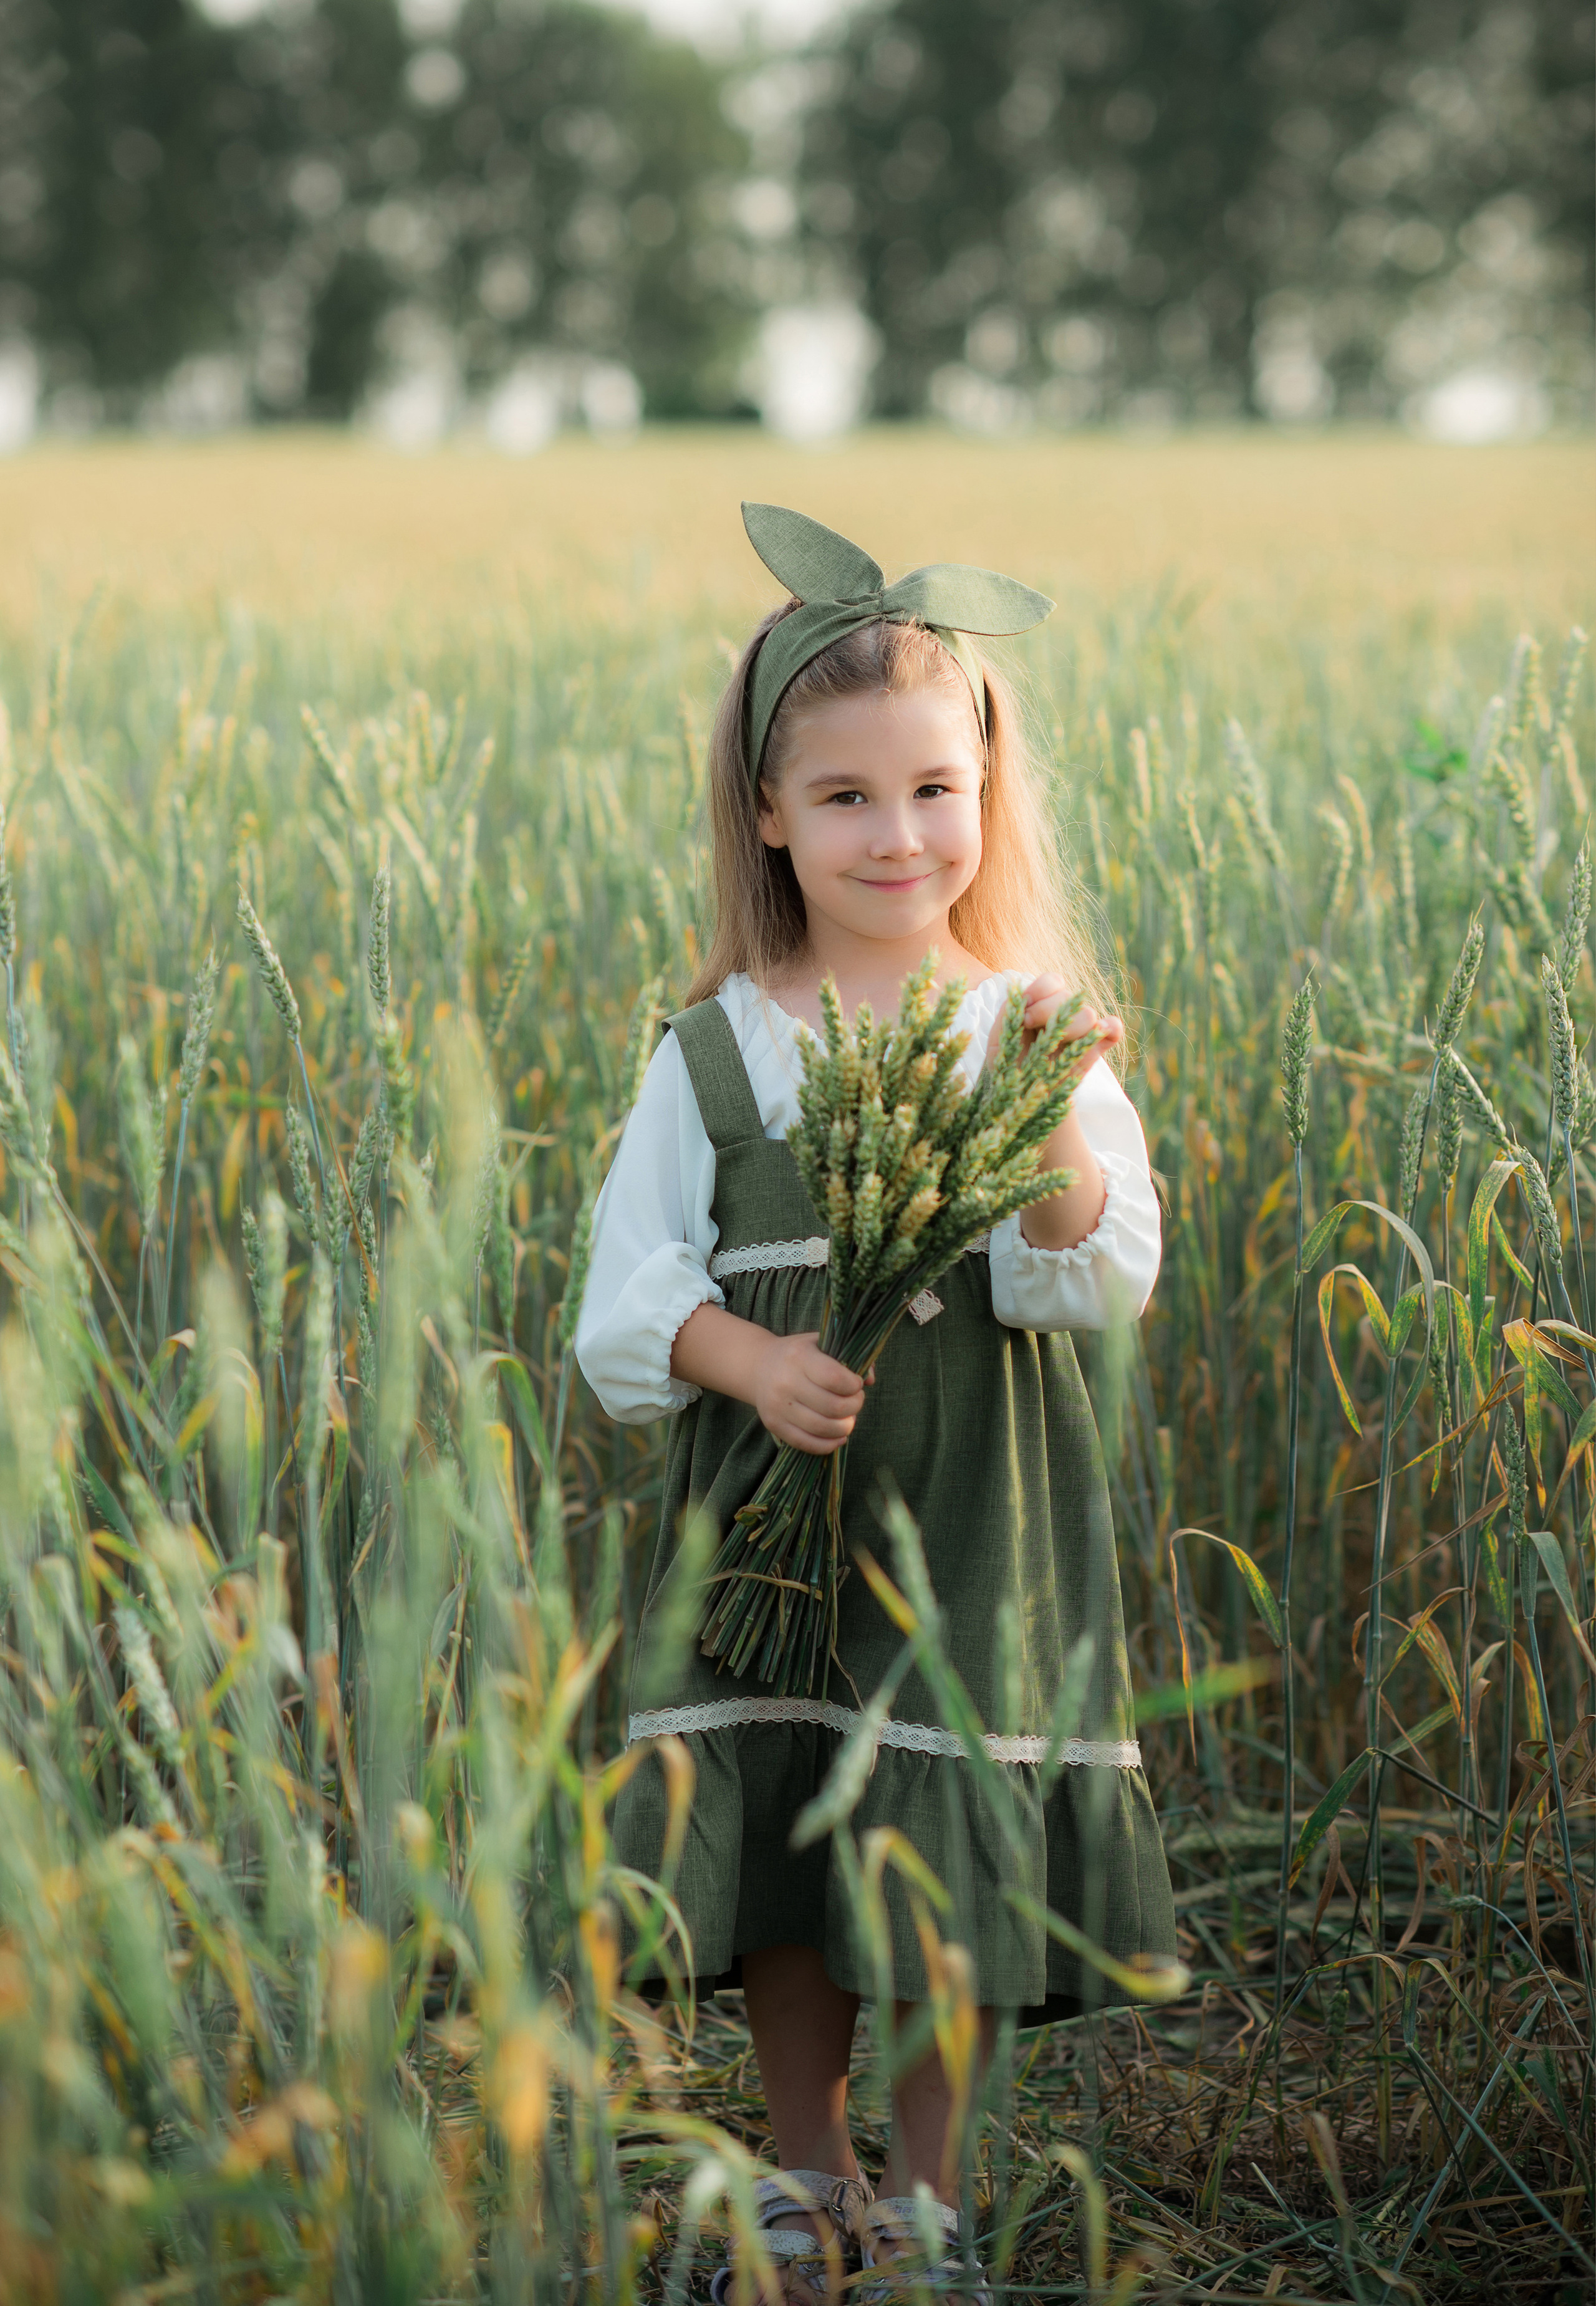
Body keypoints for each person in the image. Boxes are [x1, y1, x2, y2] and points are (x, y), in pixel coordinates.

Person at [575, 504, 1176, 2304]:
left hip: (978, 1510)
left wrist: (1051, 1120)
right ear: (768, 813)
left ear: (986, 792)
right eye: (844, 796)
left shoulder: (1027, 1024)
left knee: (949, 1837)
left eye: (933, 789)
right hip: (773, 1523)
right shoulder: (717, 1050)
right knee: (791, 1822)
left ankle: (925, 2195)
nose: (897, 834)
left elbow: (1102, 1273)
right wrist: (750, 1360)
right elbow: (627, 1294)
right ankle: (806, 2169)